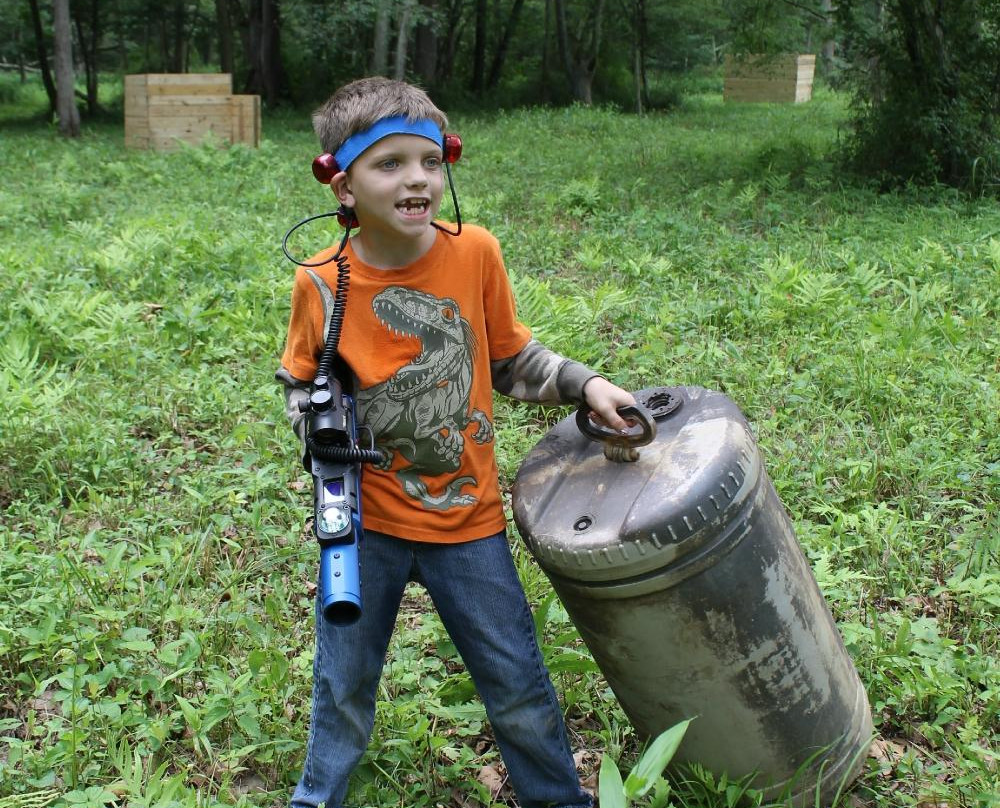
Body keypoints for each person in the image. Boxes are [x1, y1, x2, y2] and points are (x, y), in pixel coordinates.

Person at [276, 76, 635, 808]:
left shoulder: (475, 254)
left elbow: (512, 361)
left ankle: (556, 800)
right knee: (341, 686)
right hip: (364, 526)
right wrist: (316, 427)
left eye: (430, 161)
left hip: (467, 522)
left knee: (515, 683)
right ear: (342, 185)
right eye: (391, 164)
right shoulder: (319, 283)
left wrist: (588, 384)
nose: (417, 179)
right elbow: (300, 382)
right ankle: (317, 799)